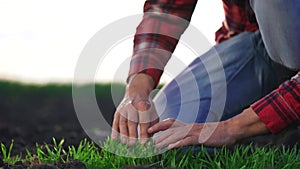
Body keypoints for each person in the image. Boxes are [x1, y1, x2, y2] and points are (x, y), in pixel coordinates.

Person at [111, 0, 300, 149]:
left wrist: (231, 128)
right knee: (165, 136)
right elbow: (166, 8)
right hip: (255, 45)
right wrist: (137, 87)